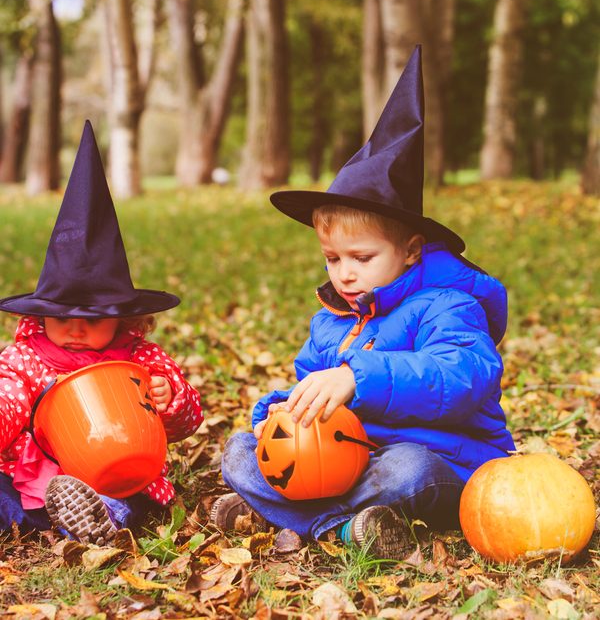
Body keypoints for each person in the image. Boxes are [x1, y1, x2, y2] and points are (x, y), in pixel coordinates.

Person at [212, 46, 515, 559]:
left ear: (411, 250)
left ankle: (291, 516)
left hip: (444, 458)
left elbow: (463, 375)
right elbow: (311, 387)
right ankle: (344, 527)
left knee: (407, 471)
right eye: (332, 258)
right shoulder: (331, 321)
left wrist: (358, 377)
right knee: (240, 450)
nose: (345, 273)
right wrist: (279, 411)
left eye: (362, 257)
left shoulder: (448, 305)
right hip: (347, 457)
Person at [0, 121, 203, 545]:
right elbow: (6, 400)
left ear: (123, 320)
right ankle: (51, 516)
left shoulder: (141, 360)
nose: (75, 328)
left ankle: (101, 517)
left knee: (131, 495)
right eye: (61, 317)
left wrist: (169, 398)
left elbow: (188, 420)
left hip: (116, 473)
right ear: (41, 316)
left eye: (92, 319)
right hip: (37, 479)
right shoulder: (24, 360)